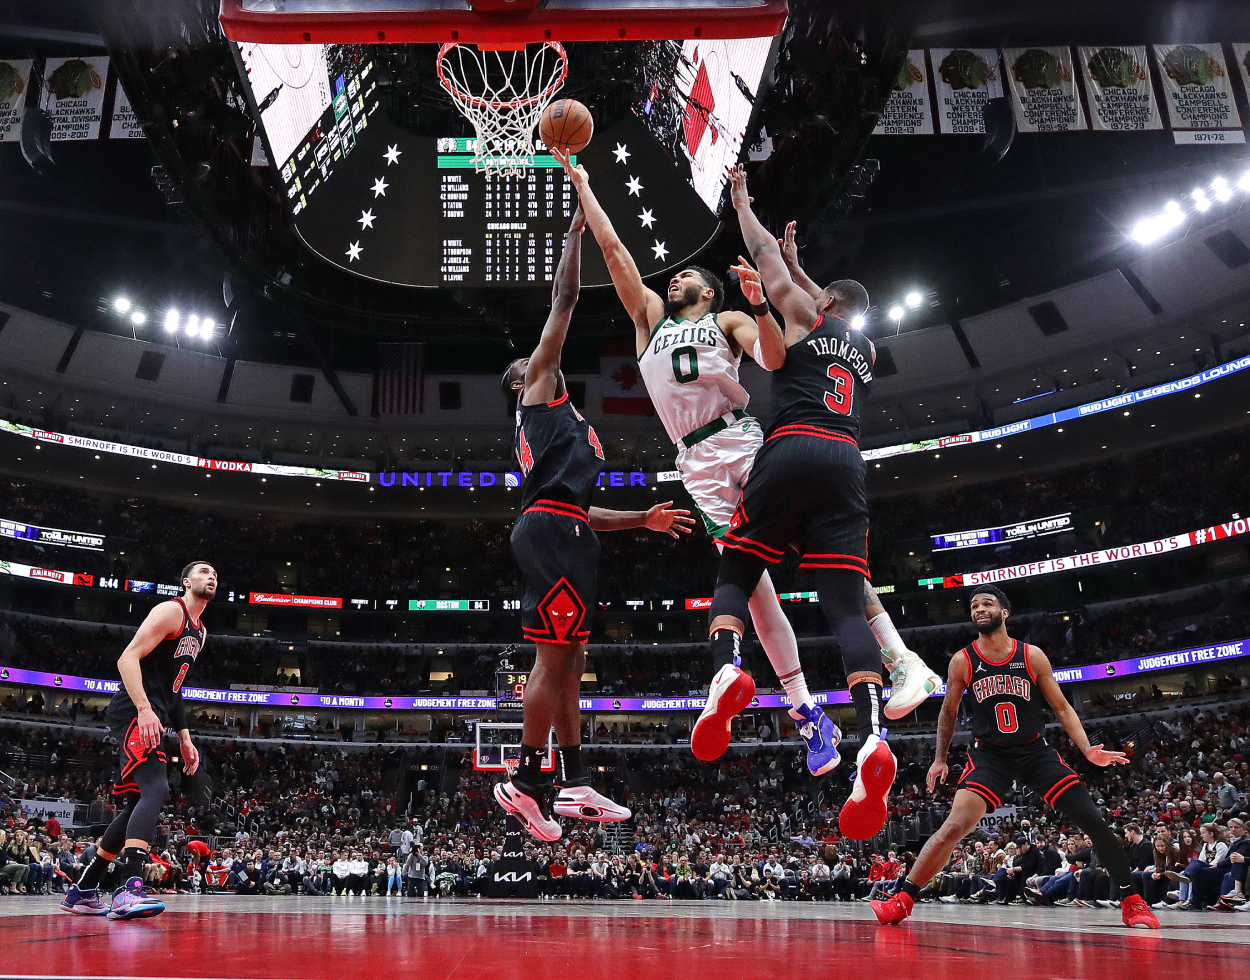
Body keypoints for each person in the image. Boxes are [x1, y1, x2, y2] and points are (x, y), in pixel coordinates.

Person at [555, 153, 940, 779]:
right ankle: (805, 712)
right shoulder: (648, 321)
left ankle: (891, 660)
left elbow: (773, 356)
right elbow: (617, 253)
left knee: (790, 555)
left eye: (686, 278)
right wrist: (587, 190)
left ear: (709, 291)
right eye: (672, 278)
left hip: (746, 440)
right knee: (754, 583)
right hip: (695, 464)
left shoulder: (728, 316)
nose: (673, 280)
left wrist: (761, 306)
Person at [658, 164, 893, 838]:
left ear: (820, 301)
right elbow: (828, 302)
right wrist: (801, 269)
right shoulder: (865, 347)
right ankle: (873, 735)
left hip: (788, 447)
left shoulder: (801, 320)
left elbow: (762, 258)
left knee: (737, 568)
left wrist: (743, 207)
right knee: (846, 606)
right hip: (846, 462)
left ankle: (729, 668)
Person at [493, 208, 694, 840]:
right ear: (523, 380)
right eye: (529, 363)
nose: (539, 359)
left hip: (568, 527)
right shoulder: (540, 389)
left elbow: (587, 510)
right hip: (549, 530)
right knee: (552, 658)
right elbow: (567, 297)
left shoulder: (569, 421)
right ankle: (527, 779)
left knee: (575, 654)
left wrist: (644, 519)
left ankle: (575, 779)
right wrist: (576, 233)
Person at [871, 586, 1159, 930]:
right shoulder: (962, 660)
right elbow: (948, 713)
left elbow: (1062, 707)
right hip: (989, 755)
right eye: (974, 605)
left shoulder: (1031, 655)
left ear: (1004, 612)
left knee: (1094, 822)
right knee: (953, 827)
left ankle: (1131, 901)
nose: (979, 608)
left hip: (1035, 751)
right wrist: (940, 758)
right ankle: (903, 900)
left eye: (987, 603)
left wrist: (1087, 749)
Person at [60, 561, 216, 920]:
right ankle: (129, 888)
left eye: (215, 575)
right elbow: (127, 657)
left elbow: (174, 690)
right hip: (132, 710)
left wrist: (186, 738)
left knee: (135, 805)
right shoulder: (169, 611)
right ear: (186, 580)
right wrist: (145, 710)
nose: (212, 577)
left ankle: (83, 889)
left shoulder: (200, 632)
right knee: (157, 789)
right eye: (204, 572)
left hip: (153, 715)